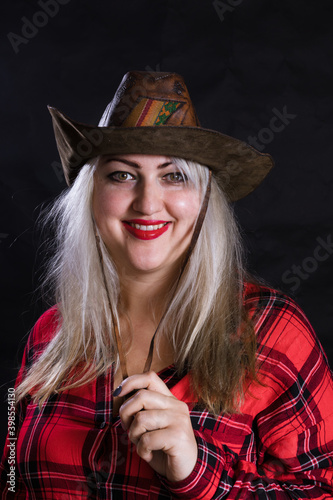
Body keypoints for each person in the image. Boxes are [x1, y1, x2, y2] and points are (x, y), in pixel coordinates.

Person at [1, 71, 333, 499]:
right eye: (122, 175)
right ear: (91, 195)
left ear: (203, 198)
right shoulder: (51, 333)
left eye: (173, 176)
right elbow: (10, 474)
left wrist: (196, 473)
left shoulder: (273, 333)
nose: (148, 202)